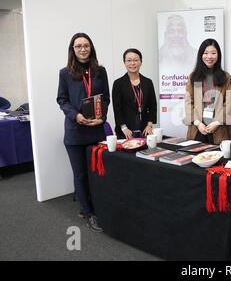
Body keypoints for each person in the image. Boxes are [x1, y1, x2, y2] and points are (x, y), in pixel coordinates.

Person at [57, 32, 110, 233]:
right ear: (73, 49)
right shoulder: (65, 73)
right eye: (78, 46)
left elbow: (105, 98)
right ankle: (88, 213)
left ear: (91, 47)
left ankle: (94, 206)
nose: (82, 49)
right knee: (80, 175)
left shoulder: (100, 71)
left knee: (95, 173)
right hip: (75, 132)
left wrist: (102, 116)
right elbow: (62, 99)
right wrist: (76, 116)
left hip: (96, 130)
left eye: (86, 45)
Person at [184, 39, 231, 144]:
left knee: (218, 158)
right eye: (205, 53)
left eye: (213, 53)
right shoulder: (193, 77)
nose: (209, 56)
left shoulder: (226, 77)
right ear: (201, 55)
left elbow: (228, 103)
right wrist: (198, 123)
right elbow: (189, 102)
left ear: (218, 55)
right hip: (197, 129)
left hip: (219, 129)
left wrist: (217, 122)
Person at [112, 49, 157, 139]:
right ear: (124, 63)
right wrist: (124, 128)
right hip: (126, 132)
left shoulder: (148, 82)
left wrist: (149, 125)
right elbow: (117, 109)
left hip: (145, 130)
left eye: (136, 60)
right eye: (129, 60)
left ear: (141, 62)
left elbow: (153, 105)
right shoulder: (118, 83)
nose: (132, 63)